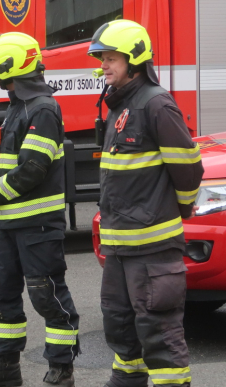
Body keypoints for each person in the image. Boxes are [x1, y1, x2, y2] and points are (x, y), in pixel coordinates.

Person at [89, 20, 203, 387]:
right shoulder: (119, 106)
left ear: (135, 60)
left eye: (111, 58)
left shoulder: (156, 104)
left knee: (159, 329)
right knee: (119, 321)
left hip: (152, 244)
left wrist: (178, 209)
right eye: (102, 59)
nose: (104, 65)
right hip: (120, 243)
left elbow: (188, 168)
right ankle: (127, 380)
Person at [0, 32, 79, 387]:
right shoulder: (20, 106)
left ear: (10, 69)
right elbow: (0, 159)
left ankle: (61, 368)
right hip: (8, 225)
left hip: (37, 226)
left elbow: (33, 168)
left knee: (46, 295)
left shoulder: (43, 109)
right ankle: (5, 364)